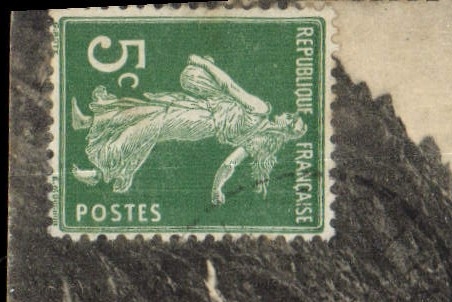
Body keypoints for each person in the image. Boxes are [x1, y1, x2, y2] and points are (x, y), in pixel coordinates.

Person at [71, 55, 306, 204]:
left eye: (291, 119)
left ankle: (101, 172)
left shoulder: (261, 108)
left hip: (201, 119)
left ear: (285, 124)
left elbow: (229, 86)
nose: (288, 114)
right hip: (201, 113)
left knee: (150, 125)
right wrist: (217, 188)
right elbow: (230, 163)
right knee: (148, 111)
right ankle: (88, 122)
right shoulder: (260, 138)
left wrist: (203, 64)